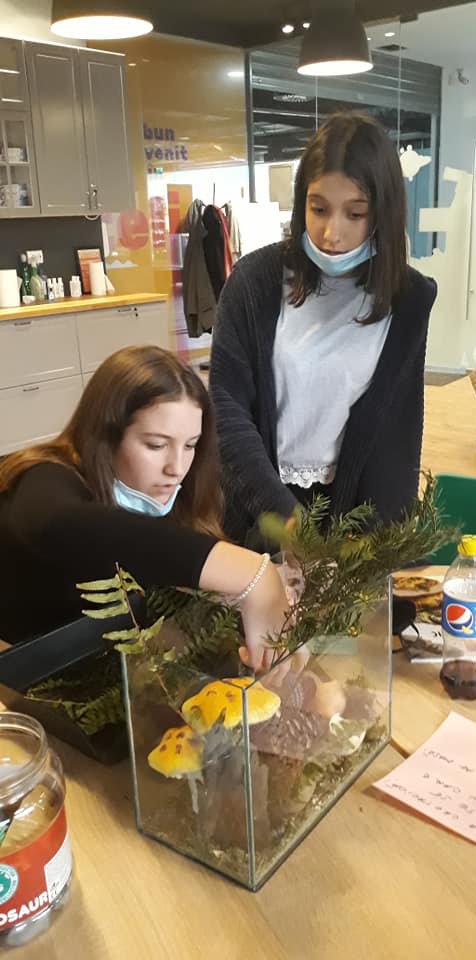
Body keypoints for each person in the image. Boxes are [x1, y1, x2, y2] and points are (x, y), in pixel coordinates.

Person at [210, 111, 438, 545]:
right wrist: (287, 522)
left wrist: (372, 552)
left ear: (382, 214)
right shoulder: (254, 282)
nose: (332, 233)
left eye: (355, 214)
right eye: (318, 209)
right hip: (257, 508)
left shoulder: (408, 300)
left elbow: (396, 440)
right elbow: (227, 410)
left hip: (350, 515)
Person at [0, 345, 288, 671]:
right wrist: (251, 572)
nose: (176, 468)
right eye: (156, 445)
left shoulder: (169, 490)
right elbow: (51, 521)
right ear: (105, 435)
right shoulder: (44, 478)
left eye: (190, 445)